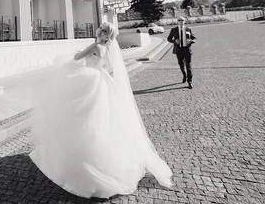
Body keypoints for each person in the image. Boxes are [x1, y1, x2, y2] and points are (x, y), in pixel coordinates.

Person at [29, 22, 173, 199]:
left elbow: (77, 58)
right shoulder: (107, 47)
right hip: (101, 79)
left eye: (104, 30)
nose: (100, 31)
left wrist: (76, 55)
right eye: (101, 28)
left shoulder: (96, 45)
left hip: (89, 80)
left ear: (107, 35)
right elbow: (107, 66)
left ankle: (84, 167)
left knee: (84, 120)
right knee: (101, 122)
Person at [166, 17, 196, 89]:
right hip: (178, 50)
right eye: (179, 20)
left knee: (188, 66)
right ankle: (184, 75)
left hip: (187, 49)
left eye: (182, 20)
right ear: (177, 22)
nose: (180, 21)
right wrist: (175, 41)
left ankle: (190, 81)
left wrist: (191, 41)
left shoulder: (188, 29)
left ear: (184, 21)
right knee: (181, 64)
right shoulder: (174, 30)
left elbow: (194, 38)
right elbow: (168, 39)